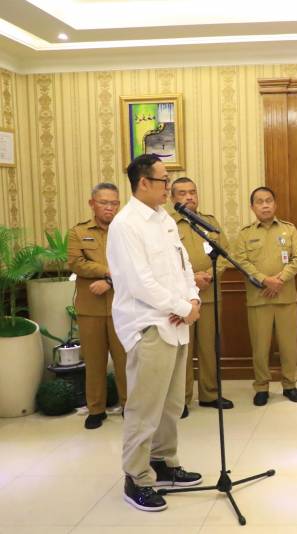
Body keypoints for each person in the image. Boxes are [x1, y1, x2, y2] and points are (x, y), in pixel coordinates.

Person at [107, 154, 202, 512]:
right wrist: (182, 308)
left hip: (177, 323)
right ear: (143, 183)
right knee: (145, 408)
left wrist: (193, 298)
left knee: (172, 404)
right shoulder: (126, 224)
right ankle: (136, 477)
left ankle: (163, 463)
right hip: (149, 325)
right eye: (164, 180)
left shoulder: (164, 219)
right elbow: (140, 282)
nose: (169, 187)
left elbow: (183, 265)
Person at [232, 186, 297, 406]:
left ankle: (290, 385)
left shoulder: (289, 229)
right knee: (260, 347)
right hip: (259, 298)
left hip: (285, 297)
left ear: (275, 204)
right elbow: (241, 261)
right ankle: (261, 387)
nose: (265, 205)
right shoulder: (245, 234)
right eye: (260, 202)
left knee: (288, 346)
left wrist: (279, 280)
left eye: (269, 201)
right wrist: (265, 280)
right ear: (252, 207)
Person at [170, 177, 233, 417]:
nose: (189, 197)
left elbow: (225, 254)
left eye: (193, 192)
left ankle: (210, 394)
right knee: (183, 351)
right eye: (182, 193)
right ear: (172, 198)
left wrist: (209, 275)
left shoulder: (210, 223)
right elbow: (163, 262)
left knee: (210, 348)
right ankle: (182, 399)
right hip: (181, 299)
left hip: (210, 294)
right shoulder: (167, 225)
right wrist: (190, 280)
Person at [66, 182, 127, 429]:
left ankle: (129, 406)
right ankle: (96, 409)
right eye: (104, 202)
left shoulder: (126, 231)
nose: (109, 207)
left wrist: (108, 281)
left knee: (125, 361)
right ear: (92, 204)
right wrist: (107, 272)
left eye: (114, 203)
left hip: (122, 307)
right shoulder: (78, 232)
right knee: (94, 362)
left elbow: (133, 265)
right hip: (90, 308)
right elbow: (76, 262)